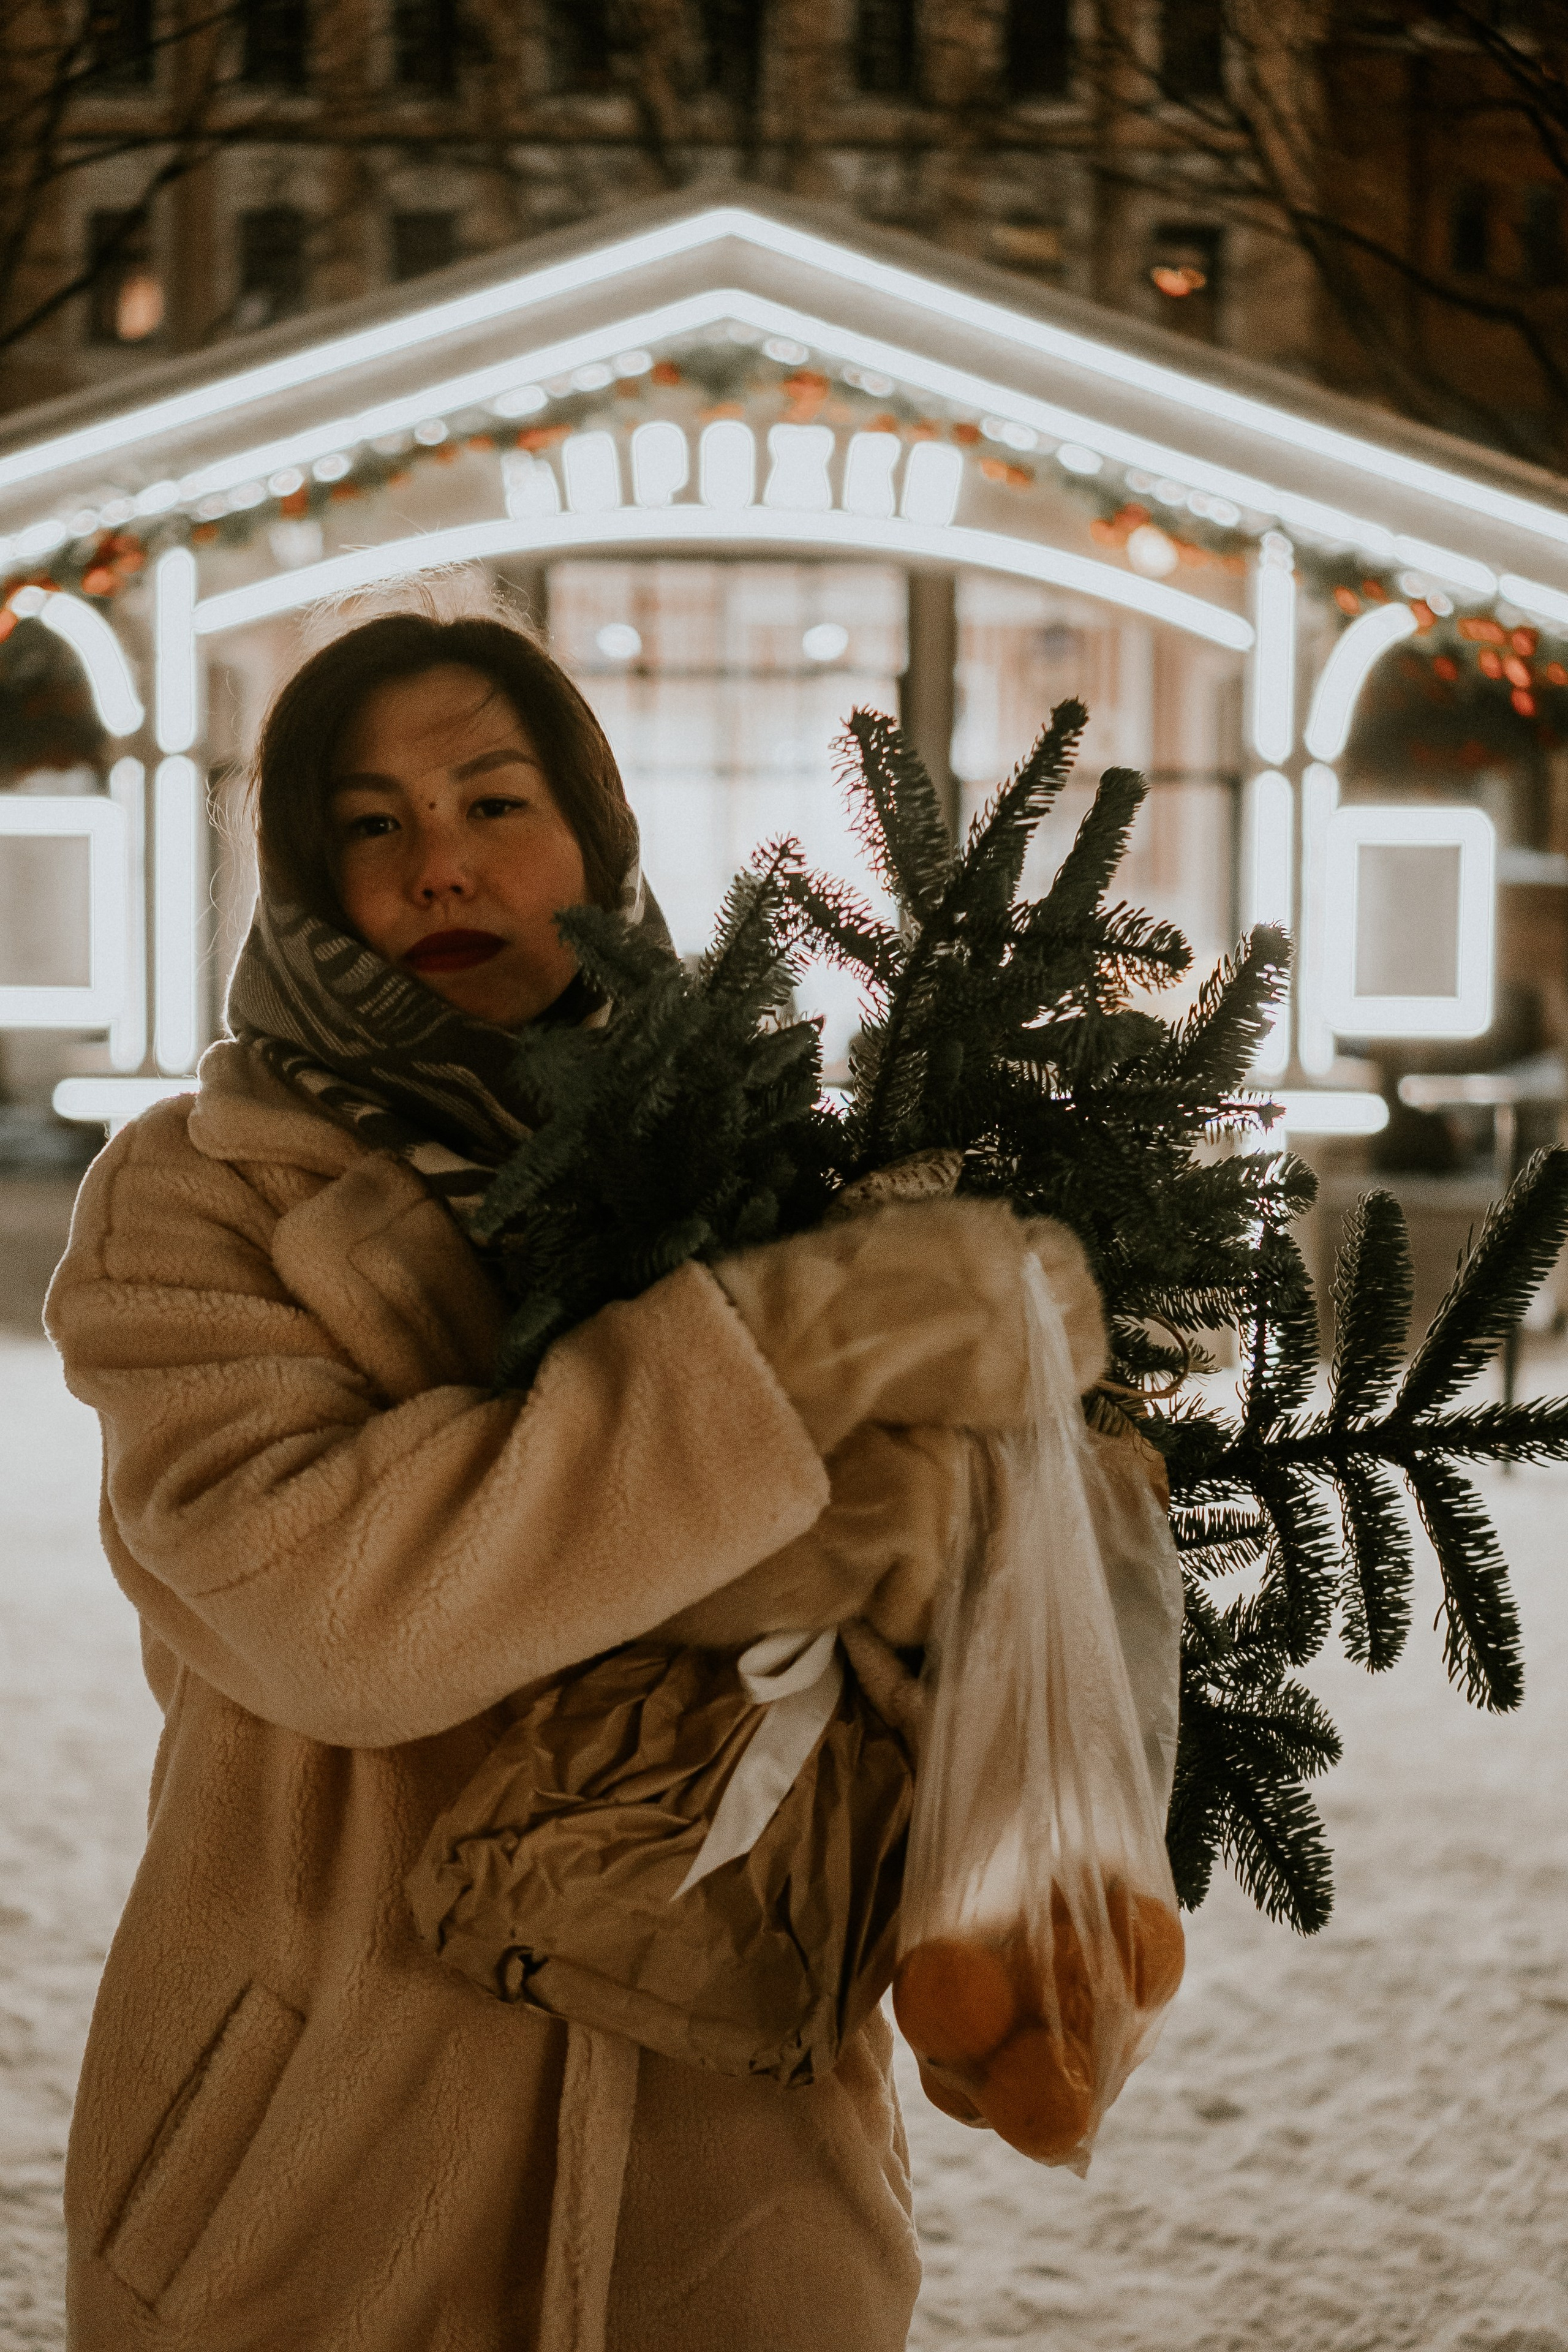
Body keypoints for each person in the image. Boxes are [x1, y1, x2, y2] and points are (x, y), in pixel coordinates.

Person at [47, 606, 1106, 2352]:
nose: (436, 868)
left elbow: (905, 1676)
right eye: (372, 824)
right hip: (316, 2165)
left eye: (492, 804)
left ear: (596, 839)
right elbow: (333, 1616)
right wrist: (806, 1363)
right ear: (306, 870)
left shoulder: (773, 1160)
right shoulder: (197, 1198)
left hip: (741, 2170)